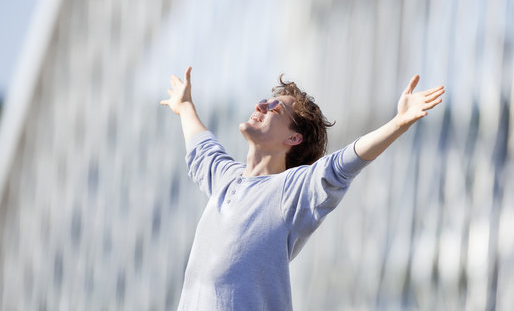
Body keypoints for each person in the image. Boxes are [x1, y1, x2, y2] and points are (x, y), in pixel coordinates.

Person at [160, 67, 444, 310]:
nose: (261, 106)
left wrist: (397, 124)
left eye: (275, 109)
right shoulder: (225, 178)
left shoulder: (290, 191)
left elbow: (342, 165)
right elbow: (202, 149)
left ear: (294, 138)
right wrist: (185, 106)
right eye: (263, 101)